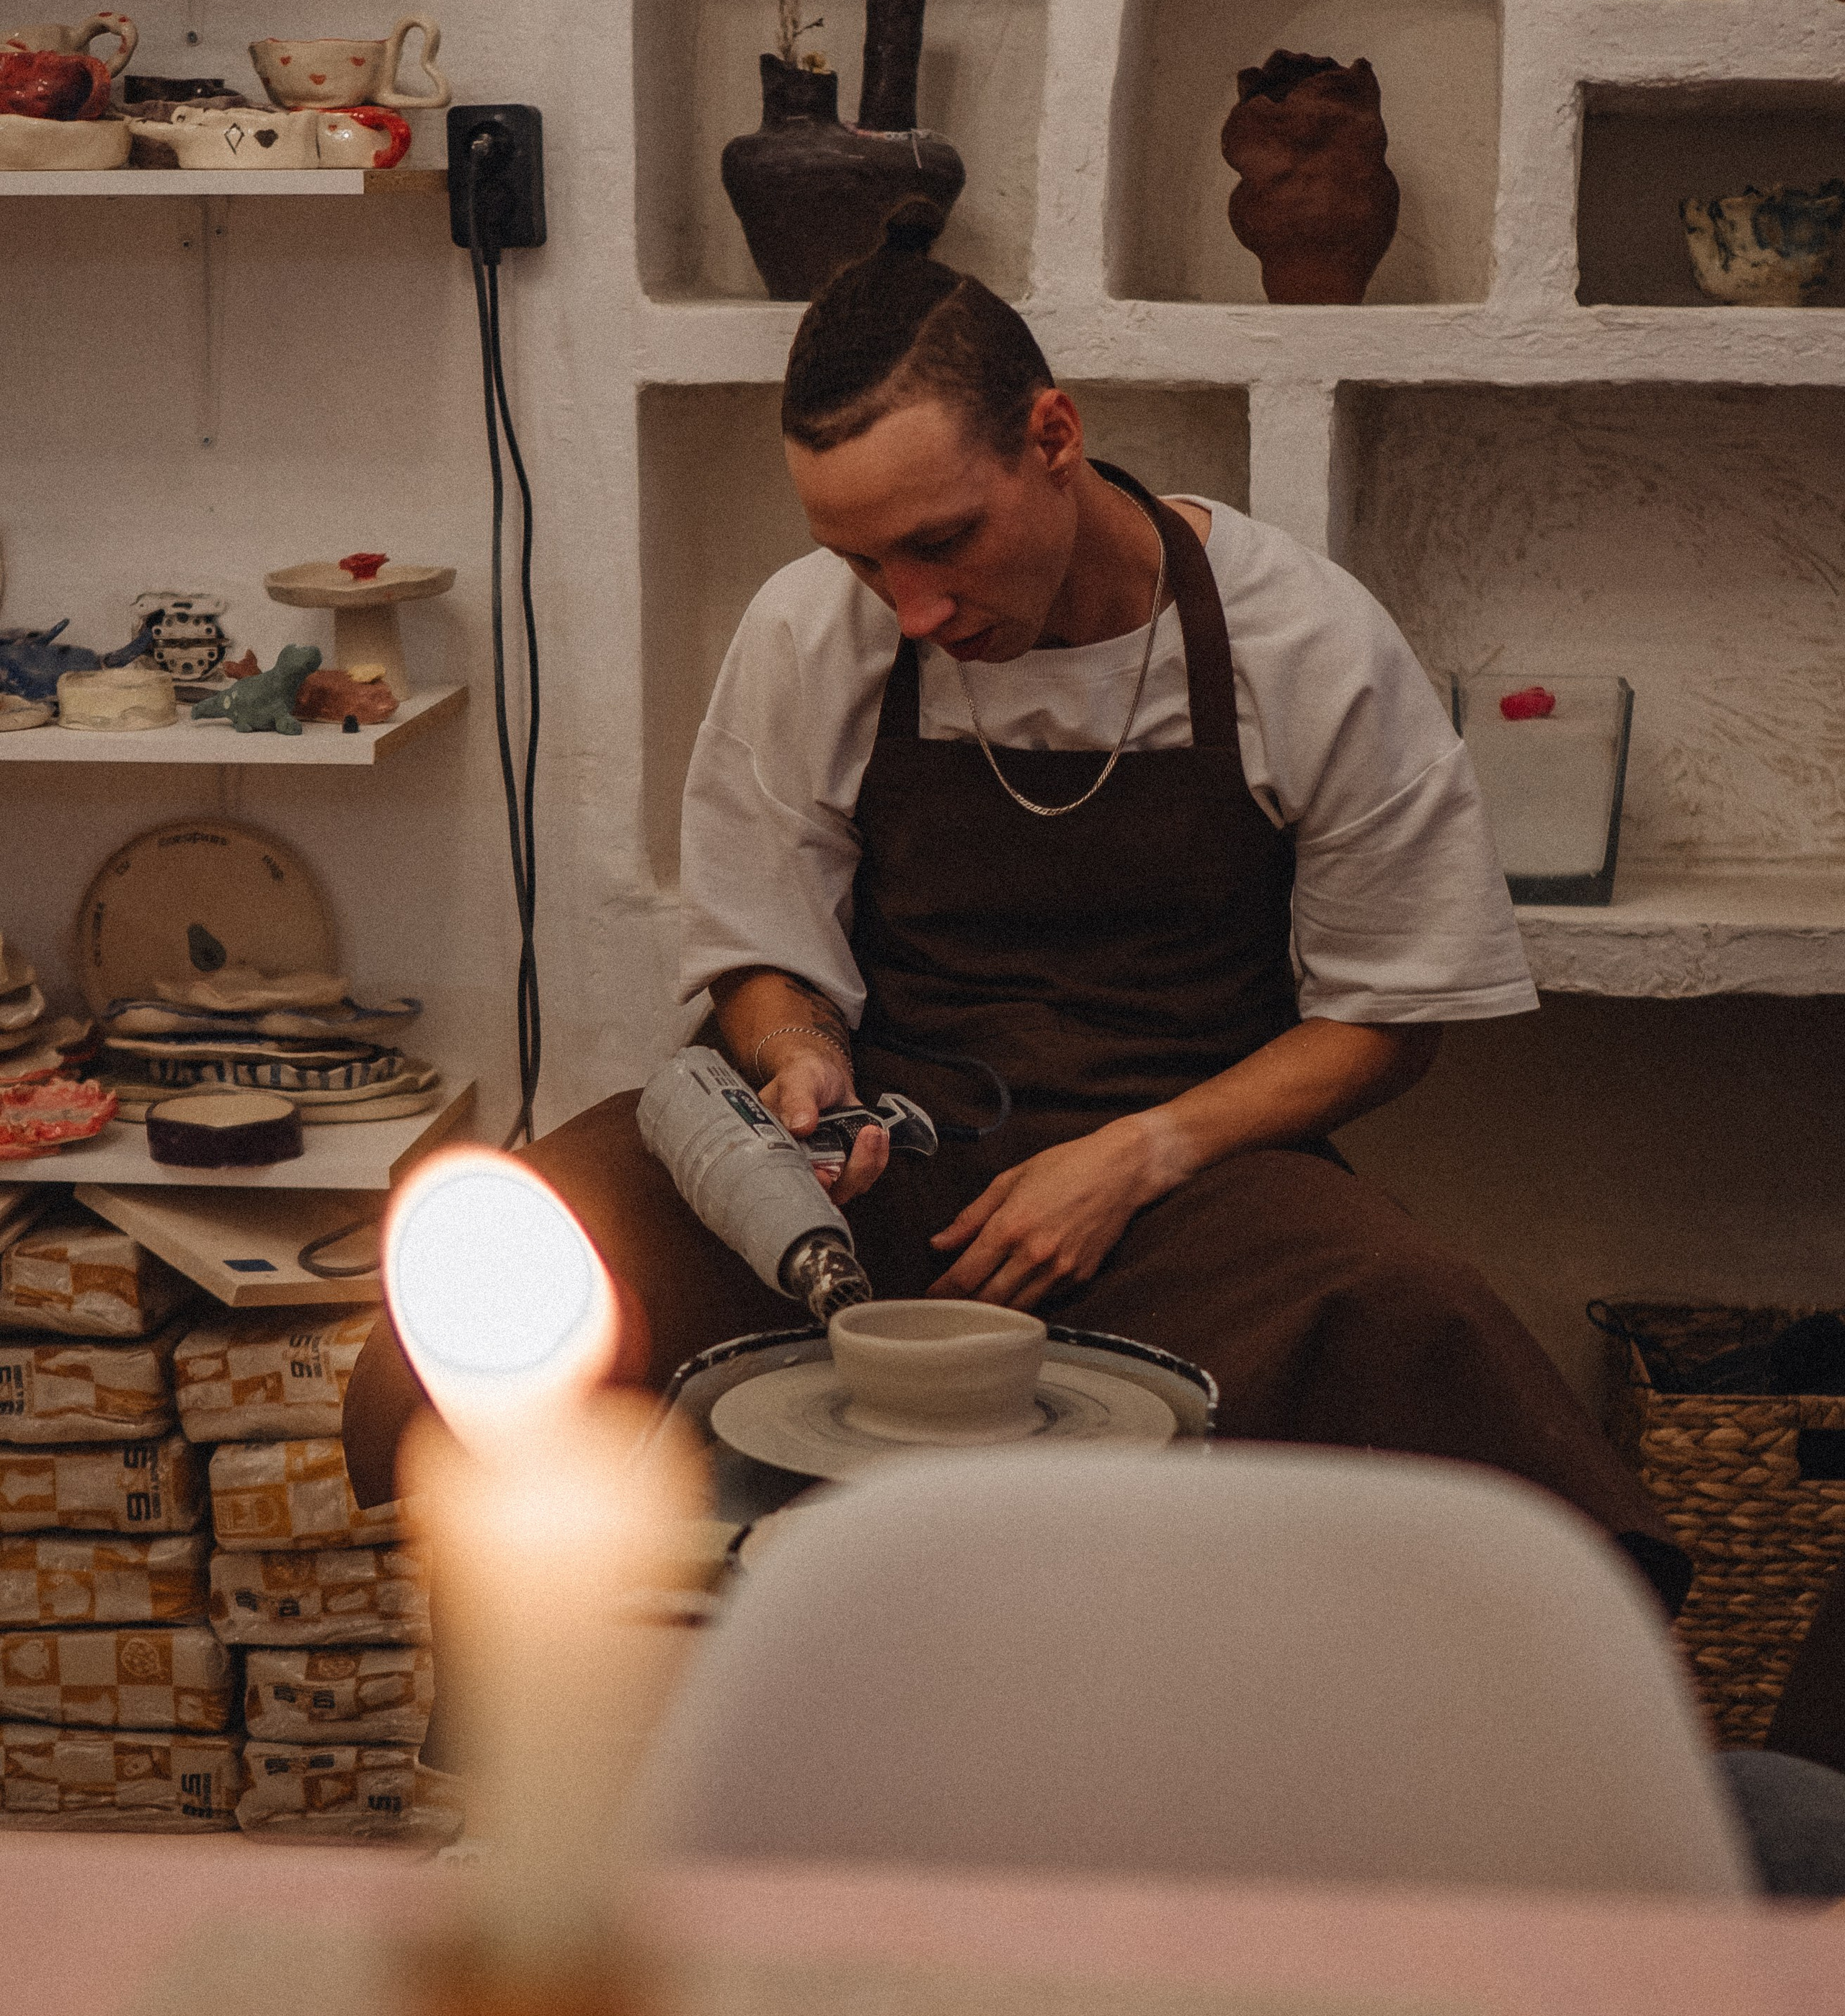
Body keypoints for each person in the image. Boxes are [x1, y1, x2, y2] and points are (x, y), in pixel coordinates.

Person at [342, 203, 1689, 1614]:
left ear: (1052, 437)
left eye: (942, 543)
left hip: (1193, 1183)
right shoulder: (813, 632)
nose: (911, 608)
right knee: (555, 1225)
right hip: (889, 1168)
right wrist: (795, 1058)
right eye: (867, 563)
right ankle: (584, 1667)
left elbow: (1387, 1021)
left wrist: (1133, 1157)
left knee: (1410, 1322)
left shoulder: (1304, 642)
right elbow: (762, 962)